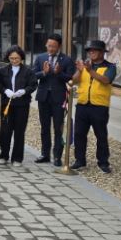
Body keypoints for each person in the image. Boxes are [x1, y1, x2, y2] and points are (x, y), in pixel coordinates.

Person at [71, 40, 116, 173]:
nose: (91, 52)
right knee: (79, 134)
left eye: (94, 50)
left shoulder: (110, 66)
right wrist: (80, 71)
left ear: (102, 52)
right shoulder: (85, 65)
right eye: (89, 50)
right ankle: (80, 160)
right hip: (82, 105)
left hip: (99, 106)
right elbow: (73, 81)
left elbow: (106, 80)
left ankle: (103, 162)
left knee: (101, 135)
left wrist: (90, 71)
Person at [32, 34, 75, 166]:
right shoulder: (40, 58)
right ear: (46, 44)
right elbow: (32, 75)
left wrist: (59, 73)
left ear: (59, 46)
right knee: (44, 127)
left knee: (58, 128)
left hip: (59, 98)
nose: (51, 48)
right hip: (43, 97)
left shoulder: (67, 60)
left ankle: (57, 156)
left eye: (54, 46)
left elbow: (70, 78)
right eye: (49, 45)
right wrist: (44, 73)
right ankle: (45, 154)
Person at [0, 45, 37, 166]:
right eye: (12, 58)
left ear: (21, 58)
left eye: (17, 58)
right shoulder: (3, 71)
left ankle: (17, 158)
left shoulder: (28, 71)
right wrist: (5, 91)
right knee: (5, 131)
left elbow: (33, 85)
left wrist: (24, 91)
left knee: (19, 131)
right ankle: (4, 155)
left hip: (22, 105)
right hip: (7, 104)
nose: (14, 60)